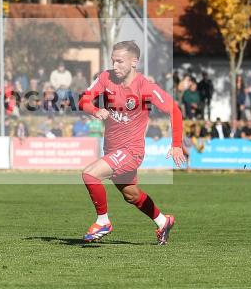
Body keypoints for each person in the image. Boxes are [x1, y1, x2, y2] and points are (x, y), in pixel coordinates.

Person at [77, 40, 185, 245]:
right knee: (131, 195)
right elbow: (84, 100)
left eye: (120, 62)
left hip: (131, 151)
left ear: (134, 61)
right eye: (113, 61)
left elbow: (174, 110)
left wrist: (177, 143)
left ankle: (103, 221)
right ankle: (163, 221)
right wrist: (95, 110)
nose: (115, 66)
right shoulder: (105, 78)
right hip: (112, 148)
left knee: (89, 174)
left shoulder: (145, 87)